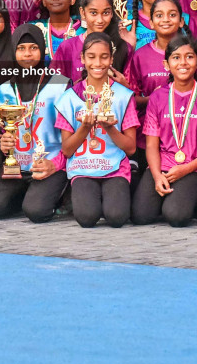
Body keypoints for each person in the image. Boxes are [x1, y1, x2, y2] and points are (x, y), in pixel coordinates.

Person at [0, 23, 69, 222]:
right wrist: (3, 144)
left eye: (33, 48)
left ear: (42, 50)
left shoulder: (61, 85)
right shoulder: (3, 90)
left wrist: (56, 164)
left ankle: (57, 195)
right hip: (16, 167)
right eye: (21, 48)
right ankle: (21, 198)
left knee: (36, 212)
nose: (27, 54)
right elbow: (2, 129)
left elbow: (74, 134)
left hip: (50, 164)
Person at [54, 32, 138, 228]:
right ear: (82, 58)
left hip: (114, 167)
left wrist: (110, 128)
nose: (98, 62)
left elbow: (131, 148)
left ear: (111, 58)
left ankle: (121, 192)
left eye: (104, 56)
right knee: (86, 218)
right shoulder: (69, 98)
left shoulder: (123, 96)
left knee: (117, 217)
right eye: (91, 56)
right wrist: (84, 128)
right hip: (83, 168)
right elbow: (66, 150)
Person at [133, 35, 197, 226]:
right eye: (176, 57)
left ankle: (196, 199)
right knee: (140, 216)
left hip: (195, 166)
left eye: (189, 57)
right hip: (164, 166)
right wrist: (156, 175)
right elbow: (152, 145)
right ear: (166, 64)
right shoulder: (158, 97)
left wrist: (185, 169)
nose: (183, 63)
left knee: (176, 216)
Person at [126, 0, 184, 111]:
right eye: (159, 15)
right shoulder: (140, 56)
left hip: (188, 122)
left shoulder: (193, 53)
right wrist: (152, 98)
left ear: (181, 21)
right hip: (151, 122)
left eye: (172, 15)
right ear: (151, 23)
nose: (166, 19)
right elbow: (130, 98)